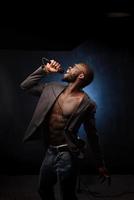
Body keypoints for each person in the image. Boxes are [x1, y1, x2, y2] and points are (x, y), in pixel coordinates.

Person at [20, 59, 110, 200]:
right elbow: (25, 86)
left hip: (68, 154)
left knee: (67, 195)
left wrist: (100, 164)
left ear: (81, 76)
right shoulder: (52, 88)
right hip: (50, 150)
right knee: (43, 189)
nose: (69, 67)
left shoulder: (87, 104)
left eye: (74, 67)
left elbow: (93, 135)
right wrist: (44, 70)